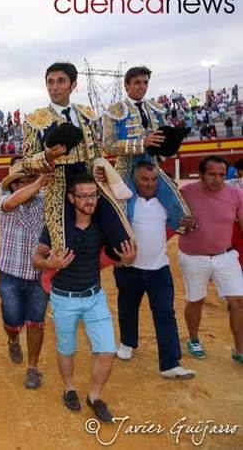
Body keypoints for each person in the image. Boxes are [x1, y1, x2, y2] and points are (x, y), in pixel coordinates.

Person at [33, 173, 136, 422]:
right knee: (66, 348)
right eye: (83, 196)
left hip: (94, 296)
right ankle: (69, 387)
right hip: (63, 298)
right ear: (71, 198)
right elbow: (36, 259)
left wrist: (126, 261)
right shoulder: (56, 225)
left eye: (93, 195)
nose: (90, 200)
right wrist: (50, 261)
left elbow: (114, 255)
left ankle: (94, 396)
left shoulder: (102, 225)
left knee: (107, 350)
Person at [22, 62, 132, 261]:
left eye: (61, 81)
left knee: (122, 243)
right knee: (65, 251)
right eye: (50, 82)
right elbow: (27, 163)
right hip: (58, 186)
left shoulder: (86, 113)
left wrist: (99, 168)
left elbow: (97, 151)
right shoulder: (34, 120)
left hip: (90, 183)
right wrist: (47, 156)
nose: (54, 87)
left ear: (73, 85)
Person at [114, 161, 196, 379]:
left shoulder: (165, 204)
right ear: (134, 180)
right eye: (144, 179)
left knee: (166, 314)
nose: (150, 184)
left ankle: (170, 363)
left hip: (159, 269)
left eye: (154, 179)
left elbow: (183, 224)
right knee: (127, 308)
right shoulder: (125, 203)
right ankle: (127, 342)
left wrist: (192, 223)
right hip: (129, 268)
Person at [102, 66, 191, 233]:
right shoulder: (114, 111)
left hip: (151, 164)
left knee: (179, 207)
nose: (142, 86)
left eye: (145, 82)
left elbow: (162, 137)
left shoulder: (155, 108)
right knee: (123, 212)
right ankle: (124, 253)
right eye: (137, 82)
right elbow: (108, 145)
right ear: (126, 85)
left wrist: (171, 140)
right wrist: (143, 143)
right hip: (126, 167)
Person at [178, 156, 243, 364]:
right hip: (193, 256)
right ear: (201, 174)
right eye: (212, 174)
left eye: (222, 175)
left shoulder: (236, 194)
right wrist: (184, 224)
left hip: (226, 255)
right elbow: (173, 222)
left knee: (238, 302)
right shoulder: (186, 193)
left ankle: (240, 349)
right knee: (196, 300)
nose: (217, 179)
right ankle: (194, 339)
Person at [0, 162, 51, 388]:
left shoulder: (45, 202)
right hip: (11, 273)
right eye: (24, 182)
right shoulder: (3, 200)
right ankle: (12, 339)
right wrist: (38, 183)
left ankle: (33, 367)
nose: (31, 186)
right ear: (14, 185)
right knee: (12, 319)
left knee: (36, 321)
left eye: (32, 181)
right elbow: (11, 202)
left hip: (39, 273)